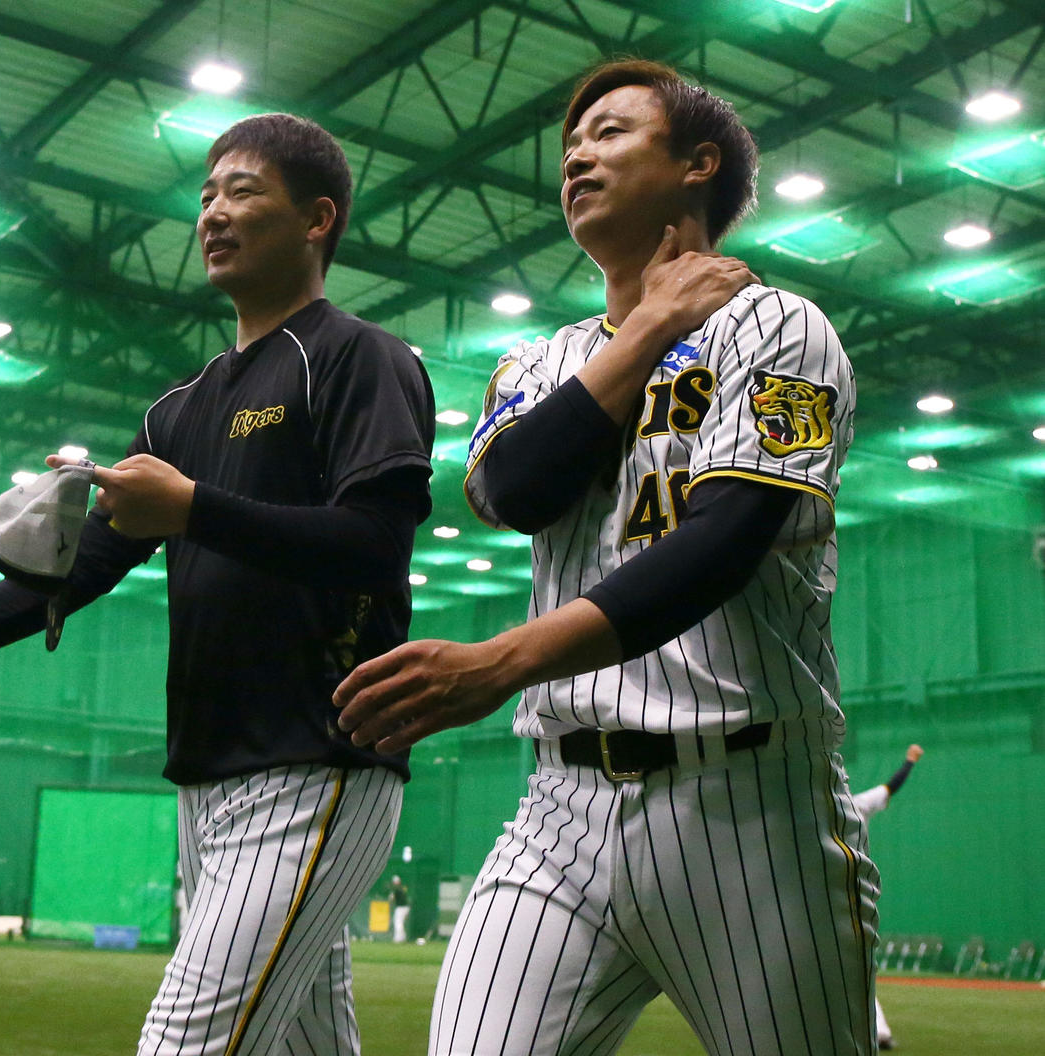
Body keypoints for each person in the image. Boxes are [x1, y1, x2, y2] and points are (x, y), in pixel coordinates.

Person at [0, 112, 435, 1055]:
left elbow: (373, 544)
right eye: (205, 196)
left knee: (184, 1043)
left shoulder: (359, 358)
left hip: (320, 758)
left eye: (242, 191)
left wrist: (195, 509)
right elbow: (87, 566)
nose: (213, 213)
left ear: (318, 218)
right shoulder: (176, 413)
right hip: (206, 778)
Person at [335, 59, 877, 1054]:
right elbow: (517, 488)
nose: (578, 154)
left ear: (695, 165)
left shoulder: (781, 329)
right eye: (570, 145)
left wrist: (504, 659)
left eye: (613, 132)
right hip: (560, 809)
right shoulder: (537, 361)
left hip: (750, 806)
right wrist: (653, 325)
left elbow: (723, 542)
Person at [853, 744, 924, 1050]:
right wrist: (909, 762)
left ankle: (878, 1029)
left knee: (856, 970)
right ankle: (878, 1030)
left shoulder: (852, 804)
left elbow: (890, 787)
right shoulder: (856, 805)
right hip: (854, 898)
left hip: (836, 899)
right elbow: (891, 787)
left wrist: (908, 763)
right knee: (858, 970)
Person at [388, 874, 410, 944]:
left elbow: (392, 898)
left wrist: (391, 897)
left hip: (401, 908)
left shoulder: (396, 889)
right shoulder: (402, 888)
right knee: (399, 922)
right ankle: (403, 937)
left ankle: (398, 938)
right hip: (405, 908)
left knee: (398, 923)